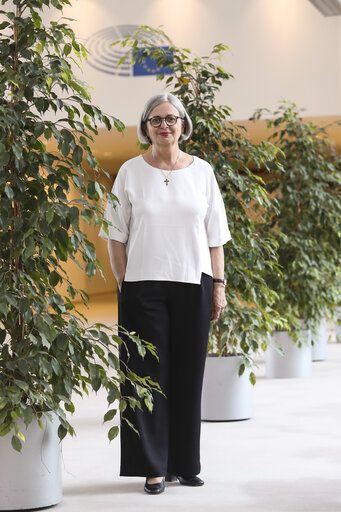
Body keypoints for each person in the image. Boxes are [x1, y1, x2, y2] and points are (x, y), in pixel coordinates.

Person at [99, 92, 231, 494]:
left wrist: (220, 286)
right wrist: (125, 281)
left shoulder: (203, 172)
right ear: (145, 126)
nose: (164, 125)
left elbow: (216, 237)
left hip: (194, 283)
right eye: (155, 120)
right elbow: (114, 233)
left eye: (171, 118)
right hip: (143, 287)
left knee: (189, 375)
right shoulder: (130, 171)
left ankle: (185, 464)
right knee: (145, 377)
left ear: (183, 124)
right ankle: (153, 466)